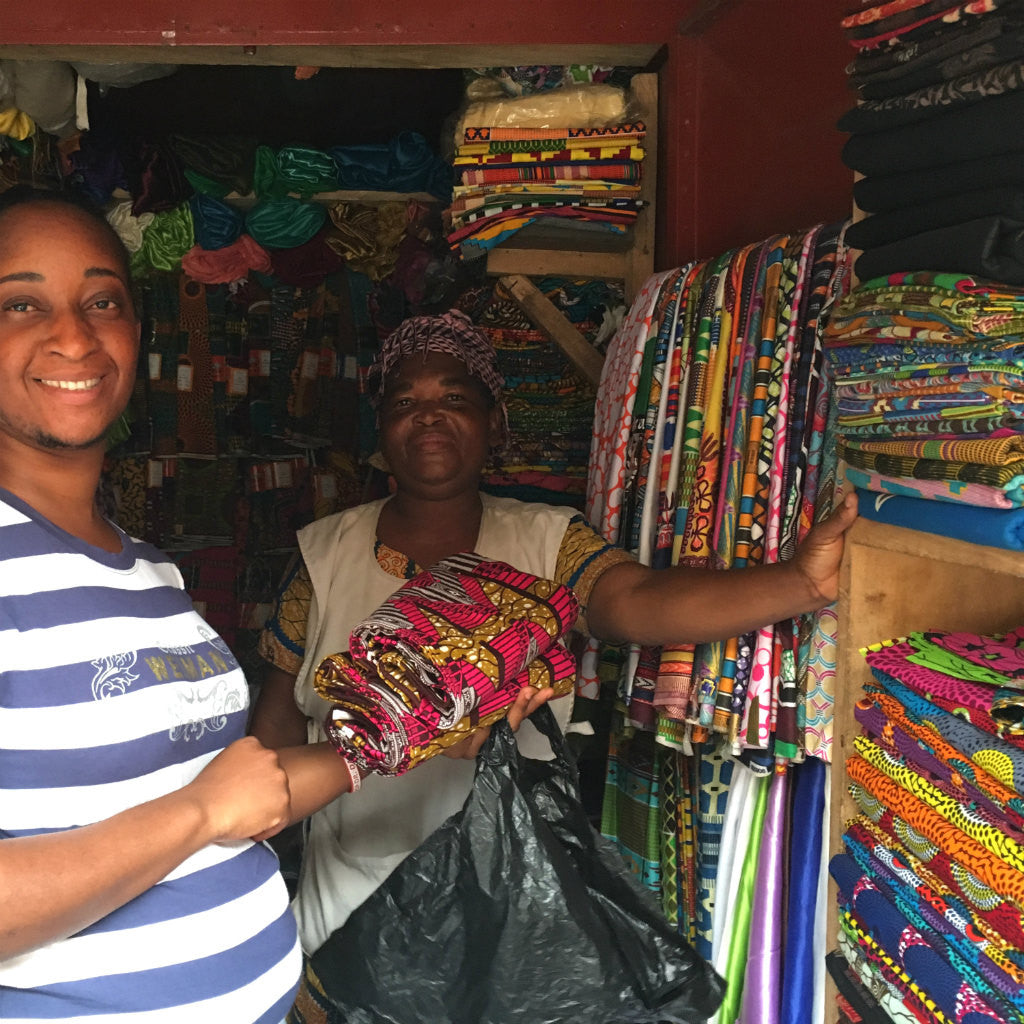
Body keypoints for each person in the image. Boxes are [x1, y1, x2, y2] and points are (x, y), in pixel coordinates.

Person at [250, 310, 858, 981]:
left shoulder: (548, 542)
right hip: (351, 909)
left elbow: (638, 603)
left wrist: (801, 582)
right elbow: (278, 716)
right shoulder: (323, 553)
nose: (428, 417)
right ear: (382, 428)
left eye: (454, 398)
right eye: (405, 402)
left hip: (513, 911)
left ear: (494, 423)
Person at [0, 187, 376, 1022]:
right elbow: (211, 805)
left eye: (103, 301)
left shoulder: (153, 577)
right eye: (22, 303)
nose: (73, 334)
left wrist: (408, 733)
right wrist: (199, 813)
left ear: (138, 333)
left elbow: (244, 791)